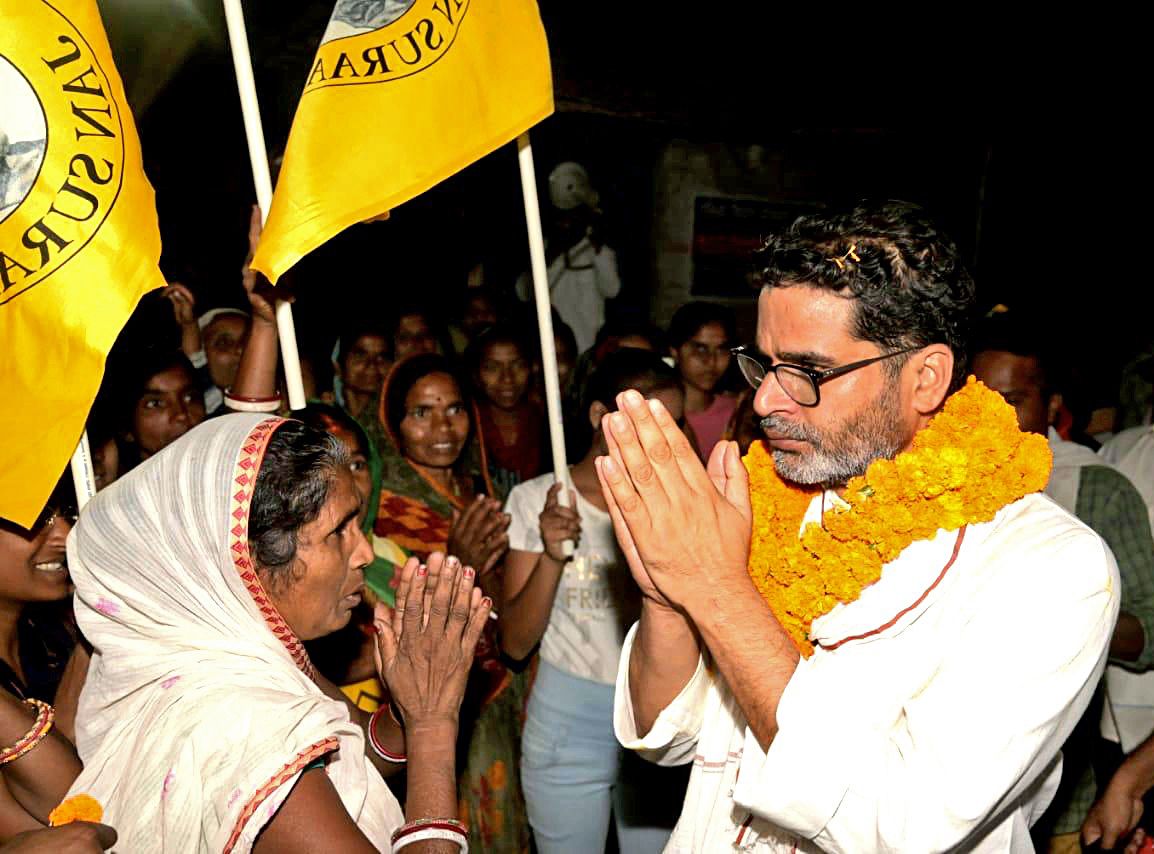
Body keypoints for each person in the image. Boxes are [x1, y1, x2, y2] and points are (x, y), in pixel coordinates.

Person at [597, 200, 1119, 851]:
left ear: (925, 378)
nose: (763, 399)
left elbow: (902, 826)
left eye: (808, 371)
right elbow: (671, 735)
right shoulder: (764, 494)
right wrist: (664, 589)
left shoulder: (1051, 567)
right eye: (761, 362)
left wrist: (715, 589)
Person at [65, 414, 491, 852]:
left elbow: (357, 751)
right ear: (247, 557)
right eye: (338, 532)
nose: (364, 553)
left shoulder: (242, 653)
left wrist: (411, 703)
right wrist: (434, 725)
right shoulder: (241, 723)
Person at [972, 315, 1154, 852]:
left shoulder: (1096, 488)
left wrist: (1067, 612)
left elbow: (1148, 635)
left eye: (1013, 400)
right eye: (979, 400)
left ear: (1052, 406)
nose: (994, 420)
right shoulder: (931, 481)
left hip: (1056, 789)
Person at [502, 349, 688, 853]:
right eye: (649, 423)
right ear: (599, 418)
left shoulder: (682, 507)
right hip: (567, 721)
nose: (665, 440)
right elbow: (515, 643)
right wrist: (550, 554)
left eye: (675, 424)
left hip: (657, 722)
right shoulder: (536, 500)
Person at [370, 353, 530, 852]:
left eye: (455, 409)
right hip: (436, 697)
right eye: (422, 412)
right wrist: (458, 562)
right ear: (395, 423)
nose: (444, 427)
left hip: (499, 685)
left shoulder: (476, 489)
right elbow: (387, 615)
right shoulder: (383, 507)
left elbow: (508, 610)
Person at [0, 479, 84, 841]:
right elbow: (72, 815)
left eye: (64, 513)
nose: (64, 535)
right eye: (38, 518)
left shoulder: (55, 635)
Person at [516, 162, 621, 354]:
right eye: (562, 218)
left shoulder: (598, 250)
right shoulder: (544, 249)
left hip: (587, 346)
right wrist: (548, 259)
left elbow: (612, 289)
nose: (567, 223)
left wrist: (599, 252)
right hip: (549, 347)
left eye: (574, 217)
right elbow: (524, 293)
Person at [467, 325, 546, 496]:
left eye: (517, 365)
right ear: (476, 374)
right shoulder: (467, 427)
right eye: (493, 368)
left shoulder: (548, 423)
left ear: (531, 368)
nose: (507, 378)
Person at [106, 349, 207, 472]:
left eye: (190, 397)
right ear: (125, 428)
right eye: (156, 403)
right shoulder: (120, 490)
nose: (181, 415)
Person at [668, 302, 739, 463]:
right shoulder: (660, 414)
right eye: (700, 349)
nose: (711, 361)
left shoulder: (738, 414)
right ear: (675, 352)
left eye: (721, 349)